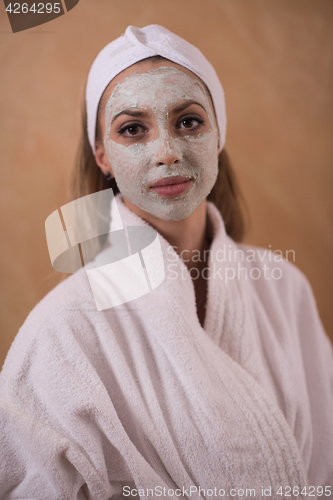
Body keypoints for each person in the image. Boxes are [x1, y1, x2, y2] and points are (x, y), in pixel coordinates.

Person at [0, 25, 332, 500]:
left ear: (219, 135)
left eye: (189, 121)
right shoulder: (61, 332)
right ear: (103, 155)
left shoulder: (285, 289)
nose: (167, 153)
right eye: (133, 129)